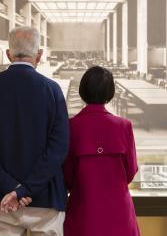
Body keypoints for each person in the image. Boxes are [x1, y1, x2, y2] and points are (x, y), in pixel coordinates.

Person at [0, 26, 69, 235]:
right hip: (45, 198)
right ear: (39, 54)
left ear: (8, 54)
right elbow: (58, 148)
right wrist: (25, 190)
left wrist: (11, 187)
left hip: (2, 198)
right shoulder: (52, 90)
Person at [63, 66, 140, 236]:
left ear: (83, 90)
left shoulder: (71, 127)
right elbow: (131, 171)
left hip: (83, 209)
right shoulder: (124, 126)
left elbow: (67, 175)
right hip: (119, 210)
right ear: (110, 92)